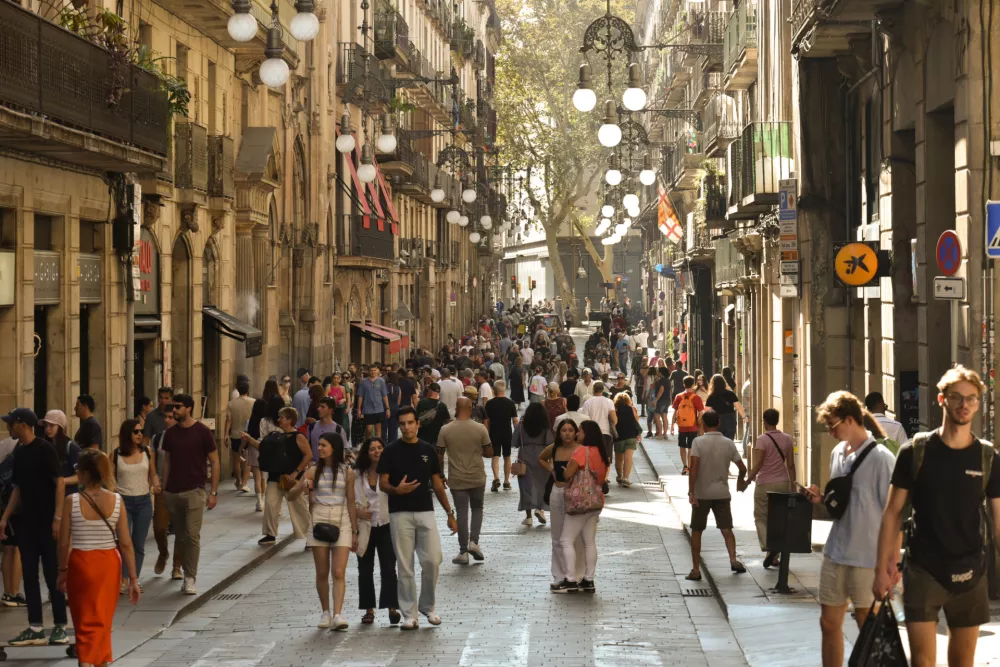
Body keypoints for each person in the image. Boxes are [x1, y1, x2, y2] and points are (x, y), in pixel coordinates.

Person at [873, 366, 997, 667]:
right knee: (923, 662)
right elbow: (891, 513)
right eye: (956, 397)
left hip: (971, 570)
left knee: (963, 662)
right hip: (924, 569)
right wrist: (880, 569)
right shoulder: (915, 451)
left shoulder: (987, 457)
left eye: (971, 398)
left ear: (978, 404)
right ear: (942, 399)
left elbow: (998, 521)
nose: (963, 404)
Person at [804, 391, 893, 667]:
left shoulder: (882, 458)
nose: (830, 432)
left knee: (868, 627)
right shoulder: (837, 453)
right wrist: (821, 500)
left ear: (851, 419)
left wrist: (890, 563)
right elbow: (843, 504)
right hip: (836, 552)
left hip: (867, 557)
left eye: (833, 425)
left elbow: (893, 514)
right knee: (828, 623)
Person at [56, 450, 141, 665]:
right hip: (108, 564)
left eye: (78, 470)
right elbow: (126, 543)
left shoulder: (71, 501)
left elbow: (64, 541)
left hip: (81, 563)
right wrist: (133, 578)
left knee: (83, 618)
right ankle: (102, 662)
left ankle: (85, 662)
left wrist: (62, 571)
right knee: (102, 618)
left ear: (84, 474)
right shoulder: (117, 500)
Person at [377, 406, 458, 630]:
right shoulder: (390, 451)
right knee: (405, 566)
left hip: (425, 510)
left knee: (433, 560)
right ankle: (409, 614)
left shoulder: (428, 450)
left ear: (417, 424)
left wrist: (450, 513)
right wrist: (396, 489)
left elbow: (438, 483)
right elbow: (382, 482)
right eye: (402, 424)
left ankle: (428, 606)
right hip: (399, 512)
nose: (406, 427)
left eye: (410, 423)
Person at [0, 408, 68, 646]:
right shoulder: (19, 452)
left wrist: (58, 518)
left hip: (47, 522)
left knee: (51, 575)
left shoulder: (45, 449)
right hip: (26, 522)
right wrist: (5, 517)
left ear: (22, 425)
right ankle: (35, 626)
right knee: (29, 574)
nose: (9, 428)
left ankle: (60, 625)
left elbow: (59, 483)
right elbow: (18, 488)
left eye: (11, 423)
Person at [288, 432, 357, 631]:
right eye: (319, 445)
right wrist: (302, 485)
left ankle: (337, 614)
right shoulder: (312, 470)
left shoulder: (347, 472)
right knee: (322, 571)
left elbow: (351, 502)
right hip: (318, 519)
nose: (319, 448)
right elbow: (291, 495)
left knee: (338, 571)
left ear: (334, 447)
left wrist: (354, 531)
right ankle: (325, 612)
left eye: (323, 445)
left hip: (341, 519)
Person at [160, 394, 221, 596]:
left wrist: (213, 492)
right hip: (173, 492)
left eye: (177, 407)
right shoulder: (169, 434)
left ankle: (190, 577)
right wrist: (164, 487)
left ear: (188, 408)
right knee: (181, 535)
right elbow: (167, 461)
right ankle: (179, 568)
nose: (174, 410)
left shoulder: (202, 432)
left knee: (192, 535)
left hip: (195, 491)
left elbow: (215, 461)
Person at [687, 410, 748, 581]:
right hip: (722, 493)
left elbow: (693, 469)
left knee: (697, 530)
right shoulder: (728, 443)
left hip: (702, 494)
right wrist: (740, 481)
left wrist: (691, 491)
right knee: (726, 528)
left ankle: (696, 569)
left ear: (704, 425)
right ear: (718, 423)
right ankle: (734, 560)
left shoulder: (698, 442)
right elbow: (742, 468)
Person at [244, 406, 311, 546]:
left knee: (299, 507)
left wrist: (296, 472)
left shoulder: (298, 437)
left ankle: (309, 535)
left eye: (282, 417)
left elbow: (308, 455)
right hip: (275, 476)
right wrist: (249, 439)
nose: (279, 419)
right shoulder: (276, 436)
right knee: (270, 504)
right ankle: (270, 534)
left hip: (293, 479)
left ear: (289, 420)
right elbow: (262, 447)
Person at [436, 398, 492, 565]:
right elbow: (490, 452)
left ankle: (463, 551)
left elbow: (439, 454)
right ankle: (474, 542)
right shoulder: (480, 428)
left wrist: (440, 474)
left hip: (457, 478)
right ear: (470, 407)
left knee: (461, 512)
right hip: (477, 476)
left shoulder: (445, 430)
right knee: (477, 508)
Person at [558, 421, 610, 593]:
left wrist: (565, 470)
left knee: (566, 540)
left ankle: (570, 579)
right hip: (595, 502)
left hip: (579, 503)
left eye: (579, 431)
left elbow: (567, 474)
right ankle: (589, 579)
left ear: (586, 433)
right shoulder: (602, 454)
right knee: (589, 542)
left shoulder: (582, 452)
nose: (577, 434)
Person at [352, 438, 399, 626]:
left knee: (388, 568)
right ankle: (368, 609)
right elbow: (350, 499)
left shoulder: (391, 472)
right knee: (365, 569)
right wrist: (357, 513)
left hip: (387, 524)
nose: (377, 451)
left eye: (380, 448)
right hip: (365, 526)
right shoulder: (357, 475)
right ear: (366, 452)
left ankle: (392, 607)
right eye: (372, 449)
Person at [743, 408, 795, 568]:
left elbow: (758, 464)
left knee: (761, 517)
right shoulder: (787, 439)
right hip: (783, 482)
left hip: (764, 483)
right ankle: (773, 556)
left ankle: (770, 546)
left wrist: (747, 480)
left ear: (764, 421)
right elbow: (791, 465)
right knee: (779, 519)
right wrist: (793, 485)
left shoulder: (762, 440)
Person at [538, 419, 586, 592]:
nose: (567, 433)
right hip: (557, 493)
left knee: (576, 537)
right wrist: (551, 470)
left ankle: (577, 574)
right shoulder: (554, 448)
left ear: (575, 432)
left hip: (576, 495)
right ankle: (559, 575)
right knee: (557, 536)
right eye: (563, 430)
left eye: (570, 430)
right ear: (559, 433)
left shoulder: (581, 450)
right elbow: (541, 458)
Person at [112, 418, 159, 592]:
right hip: (123, 502)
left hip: (144, 501)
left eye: (141, 431)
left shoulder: (147, 452)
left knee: (138, 543)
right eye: (136, 432)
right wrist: (113, 491)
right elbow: (110, 478)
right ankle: (122, 578)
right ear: (127, 434)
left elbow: (152, 473)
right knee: (124, 542)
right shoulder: (116, 454)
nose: (140, 434)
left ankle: (133, 578)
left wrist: (156, 484)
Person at [513, 402, 554, 526]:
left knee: (526, 487)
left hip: (524, 457)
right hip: (541, 457)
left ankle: (528, 516)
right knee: (541, 485)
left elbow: (514, 442)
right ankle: (539, 509)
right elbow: (550, 443)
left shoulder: (522, 425)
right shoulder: (545, 427)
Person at [150, 409, 179, 578]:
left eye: (170, 417)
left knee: (182, 531)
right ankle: (163, 553)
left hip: (182, 488)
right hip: (162, 488)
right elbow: (153, 462)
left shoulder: (185, 437)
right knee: (159, 528)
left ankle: (177, 567)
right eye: (166, 417)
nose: (167, 420)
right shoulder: (157, 438)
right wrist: (154, 481)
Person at [0, 419, 23, 608]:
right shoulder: (21, 447)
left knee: (8, 549)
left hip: (3, 504)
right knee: (16, 550)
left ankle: (8, 592)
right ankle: (14, 592)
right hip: (16, 505)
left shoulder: (3, 446)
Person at [484, 380, 519, 493]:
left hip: (494, 433)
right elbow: (515, 421)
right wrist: (517, 434)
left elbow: (487, 421)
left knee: (495, 457)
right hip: (507, 433)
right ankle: (506, 481)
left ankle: (496, 478)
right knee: (507, 457)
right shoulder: (510, 403)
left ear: (494, 390)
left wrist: (486, 434)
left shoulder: (490, 403)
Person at [39, 410, 82, 496]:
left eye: (52, 425)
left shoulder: (71, 447)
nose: (48, 429)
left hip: (68, 496)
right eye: (46, 426)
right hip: (49, 497)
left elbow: (81, 476)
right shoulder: (44, 446)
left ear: (60, 427)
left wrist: (62, 481)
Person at [225, 378, 255, 492]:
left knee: (236, 460)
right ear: (248, 390)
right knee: (248, 460)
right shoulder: (253, 402)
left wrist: (226, 434)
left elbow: (228, 420)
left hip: (235, 434)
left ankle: (237, 481)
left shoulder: (231, 403)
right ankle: (244, 483)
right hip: (248, 435)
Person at [670, 376, 705, 475]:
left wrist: (672, 425)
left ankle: (684, 466)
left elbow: (675, 412)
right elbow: (701, 412)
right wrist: (698, 423)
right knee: (691, 447)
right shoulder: (696, 397)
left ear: (684, 384)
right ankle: (689, 467)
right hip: (693, 426)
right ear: (693, 385)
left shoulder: (678, 396)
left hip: (681, 427)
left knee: (682, 446)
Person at [579, 381, 618, 464]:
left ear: (593, 390)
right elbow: (614, 419)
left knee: (592, 458)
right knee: (606, 458)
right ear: (603, 390)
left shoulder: (587, 403)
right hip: (605, 433)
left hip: (591, 434)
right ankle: (605, 476)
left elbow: (585, 421)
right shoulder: (609, 402)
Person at [705, 374, 748, 441]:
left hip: (717, 420)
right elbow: (738, 407)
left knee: (718, 441)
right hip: (730, 419)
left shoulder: (711, 396)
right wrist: (744, 417)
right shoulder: (731, 394)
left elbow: (708, 411)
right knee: (729, 441)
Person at [309, 397, 350, 463]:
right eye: (319, 406)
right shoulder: (311, 427)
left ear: (330, 410)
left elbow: (343, 451)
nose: (319, 409)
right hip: (314, 467)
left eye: (322, 407)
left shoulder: (338, 429)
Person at [613, 393, 640, 487]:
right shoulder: (632, 409)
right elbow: (637, 421)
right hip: (631, 436)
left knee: (619, 458)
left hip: (618, 437)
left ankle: (619, 476)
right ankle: (626, 478)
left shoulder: (614, 411)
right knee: (628, 458)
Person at [356, 366, 390, 439]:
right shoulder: (363, 382)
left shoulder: (381, 381)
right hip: (368, 408)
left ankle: (379, 445)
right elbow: (360, 396)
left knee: (378, 428)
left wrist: (387, 408)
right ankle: (367, 442)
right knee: (369, 429)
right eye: (371, 370)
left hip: (379, 408)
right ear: (368, 371)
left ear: (377, 371)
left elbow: (384, 395)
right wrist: (359, 409)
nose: (373, 372)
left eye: (374, 370)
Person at [415, 382, 451, 449]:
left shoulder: (421, 403)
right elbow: (447, 422)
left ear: (429, 390)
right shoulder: (442, 406)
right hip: (436, 438)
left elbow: (415, 419)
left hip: (422, 437)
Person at [653, 367, 672, 438]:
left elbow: (661, 389)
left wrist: (656, 400)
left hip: (661, 400)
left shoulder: (662, 380)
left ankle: (660, 433)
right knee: (664, 416)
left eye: (658, 371)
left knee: (656, 416)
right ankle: (665, 434)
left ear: (661, 373)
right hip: (667, 400)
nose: (657, 373)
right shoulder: (667, 380)